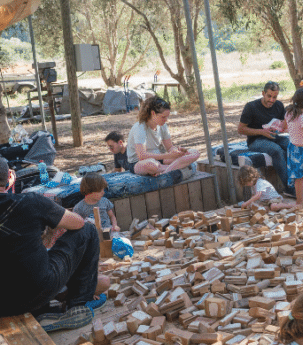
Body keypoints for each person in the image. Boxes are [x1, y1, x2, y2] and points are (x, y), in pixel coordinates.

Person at [0, 158, 109, 330]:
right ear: (10, 177)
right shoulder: (30, 201)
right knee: (88, 231)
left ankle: (42, 311)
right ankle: (77, 304)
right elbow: (78, 223)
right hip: (38, 289)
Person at [238, 82, 294, 195]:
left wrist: (282, 127)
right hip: (256, 140)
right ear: (263, 93)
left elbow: (284, 124)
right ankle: (289, 188)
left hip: (274, 136)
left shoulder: (278, 105)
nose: (272, 100)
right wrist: (262, 132)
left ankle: (299, 181)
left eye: (275, 97)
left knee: (293, 145)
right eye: (269, 96)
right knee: (276, 150)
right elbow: (241, 129)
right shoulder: (251, 107)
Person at [126, 96, 200, 177]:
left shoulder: (163, 126)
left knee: (194, 153)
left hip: (159, 160)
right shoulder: (139, 127)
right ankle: (176, 168)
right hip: (139, 163)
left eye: (167, 117)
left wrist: (177, 152)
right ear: (153, 113)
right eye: (163, 117)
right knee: (152, 165)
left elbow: (170, 148)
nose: (166, 120)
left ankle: (166, 170)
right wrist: (169, 155)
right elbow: (142, 156)